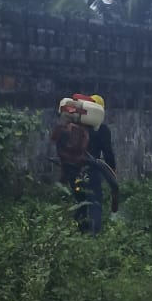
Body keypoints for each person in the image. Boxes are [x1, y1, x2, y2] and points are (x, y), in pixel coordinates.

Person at [51, 93, 119, 235]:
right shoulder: (103, 130)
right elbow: (108, 153)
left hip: (73, 170)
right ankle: (93, 234)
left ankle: (80, 231)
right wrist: (112, 171)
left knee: (80, 200)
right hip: (91, 170)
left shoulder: (74, 127)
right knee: (95, 201)